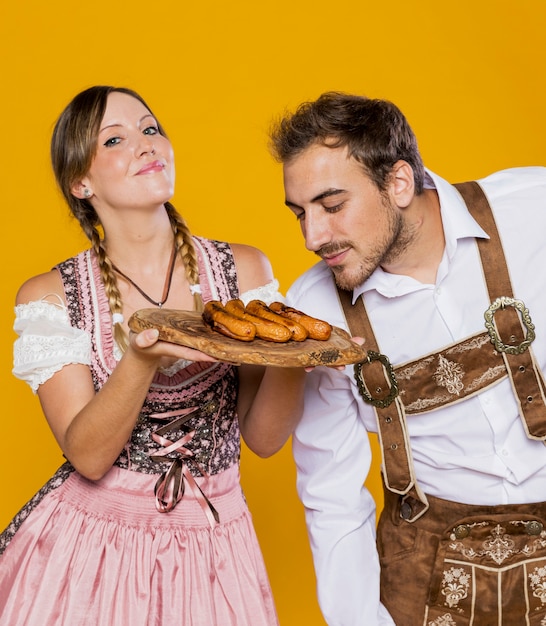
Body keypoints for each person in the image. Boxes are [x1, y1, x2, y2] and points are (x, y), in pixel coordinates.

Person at [0, 85, 306, 626]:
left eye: (150, 128)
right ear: (81, 182)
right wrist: (139, 362)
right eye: (115, 138)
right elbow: (88, 457)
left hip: (215, 544)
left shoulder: (244, 272)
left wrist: (299, 356)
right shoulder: (50, 297)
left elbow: (263, 439)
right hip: (93, 551)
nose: (146, 145)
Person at [269, 91, 546, 625]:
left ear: (397, 183)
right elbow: (332, 497)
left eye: (331, 206)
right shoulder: (316, 311)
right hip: (425, 576)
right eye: (299, 213)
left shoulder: (532, 210)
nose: (312, 236)